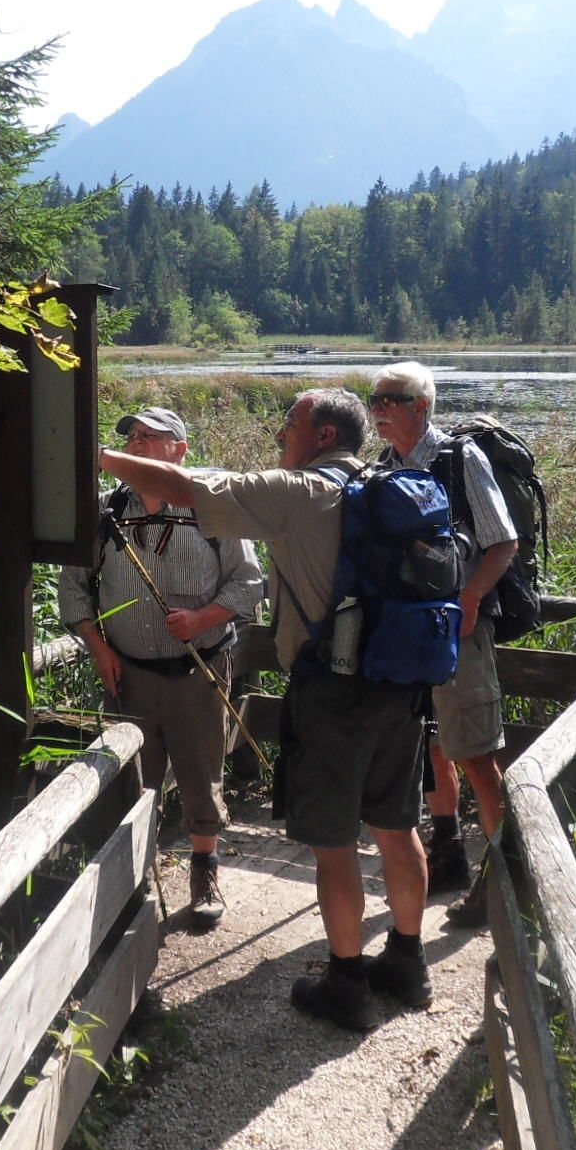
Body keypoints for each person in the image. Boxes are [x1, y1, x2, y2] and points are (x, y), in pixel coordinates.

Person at [100, 388, 432, 1033]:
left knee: (334, 845)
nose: (281, 434)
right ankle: (408, 962)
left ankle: (345, 981)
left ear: (325, 436)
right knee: (396, 829)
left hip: (334, 691)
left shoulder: (303, 491)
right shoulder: (392, 481)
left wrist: (99, 454)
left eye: (291, 424)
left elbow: (183, 484)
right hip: (400, 683)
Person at [59, 407, 264, 930]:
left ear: (181, 451)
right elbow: (74, 592)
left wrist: (203, 618)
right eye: (132, 436)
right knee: (133, 779)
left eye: (153, 437)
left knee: (201, 772)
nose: (140, 443)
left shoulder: (212, 507)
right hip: (128, 674)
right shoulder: (104, 511)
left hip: (199, 668)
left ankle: (204, 871)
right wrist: (98, 649)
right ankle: (132, 883)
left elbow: (248, 583)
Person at [370, 361, 519, 929]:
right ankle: (450, 853)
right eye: (374, 397)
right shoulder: (385, 466)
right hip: (411, 632)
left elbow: (502, 540)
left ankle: (501, 880)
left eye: (392, 398)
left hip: (459, 628)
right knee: (430, 744)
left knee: (476, 754)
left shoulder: (460, 459)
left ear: (422, 406)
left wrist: (473, 600)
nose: (379, 407)